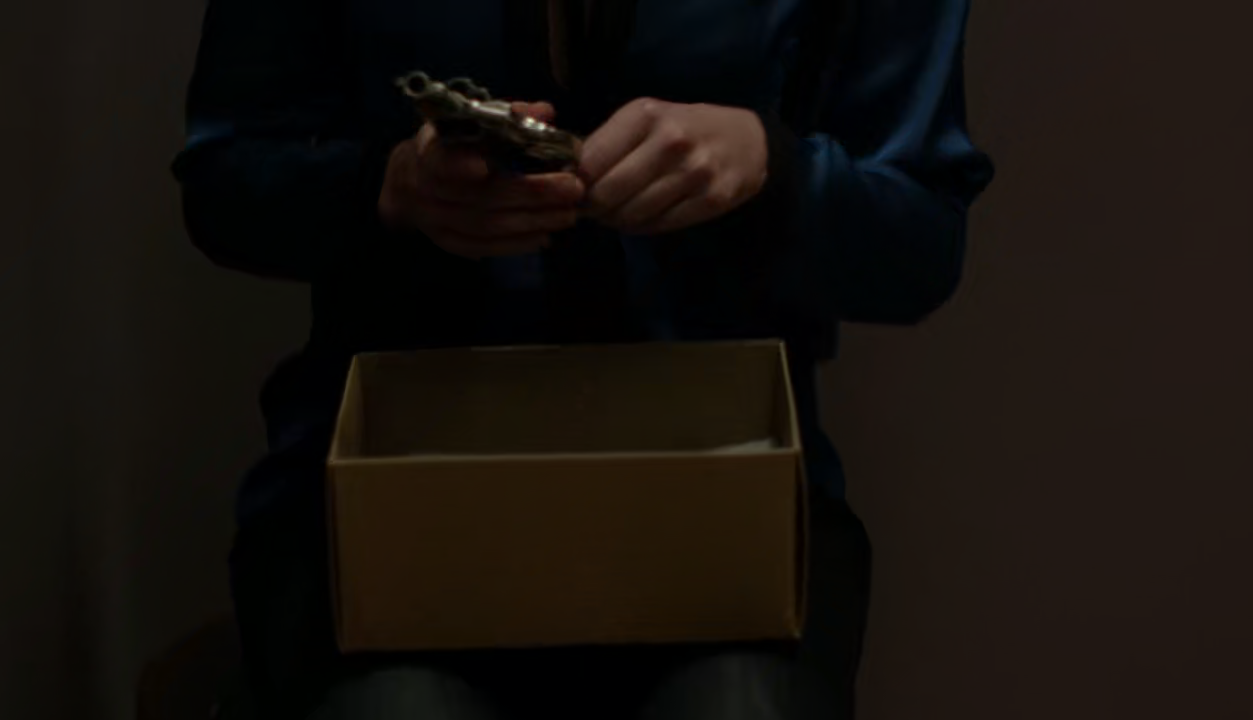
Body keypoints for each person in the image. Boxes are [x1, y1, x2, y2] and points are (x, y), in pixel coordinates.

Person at [173, 0, 993, 718]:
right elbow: (223, 177)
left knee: (740, 704)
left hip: (721, 514)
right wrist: (384, 189)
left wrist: (770, 169)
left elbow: (920, 239)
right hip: (384, 507)